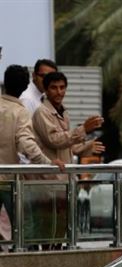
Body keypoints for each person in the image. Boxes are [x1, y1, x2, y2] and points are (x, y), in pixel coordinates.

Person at [0, 65, 65, 247]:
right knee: (24, 225)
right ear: (24, 86)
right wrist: (49, 163)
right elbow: (27, 144)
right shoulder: (20, 112)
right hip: (7, 180)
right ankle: (21, 261)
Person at [32, 71, 104, 164]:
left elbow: (67, 145)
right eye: (54, 88)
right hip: (49, 174)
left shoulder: (64, 112)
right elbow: (54, 140)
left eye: (62, 88)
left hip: (64, 173)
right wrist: (83, 129)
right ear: (46, 90)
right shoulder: (41, 112)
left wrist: (88, 147)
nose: (59, 92)